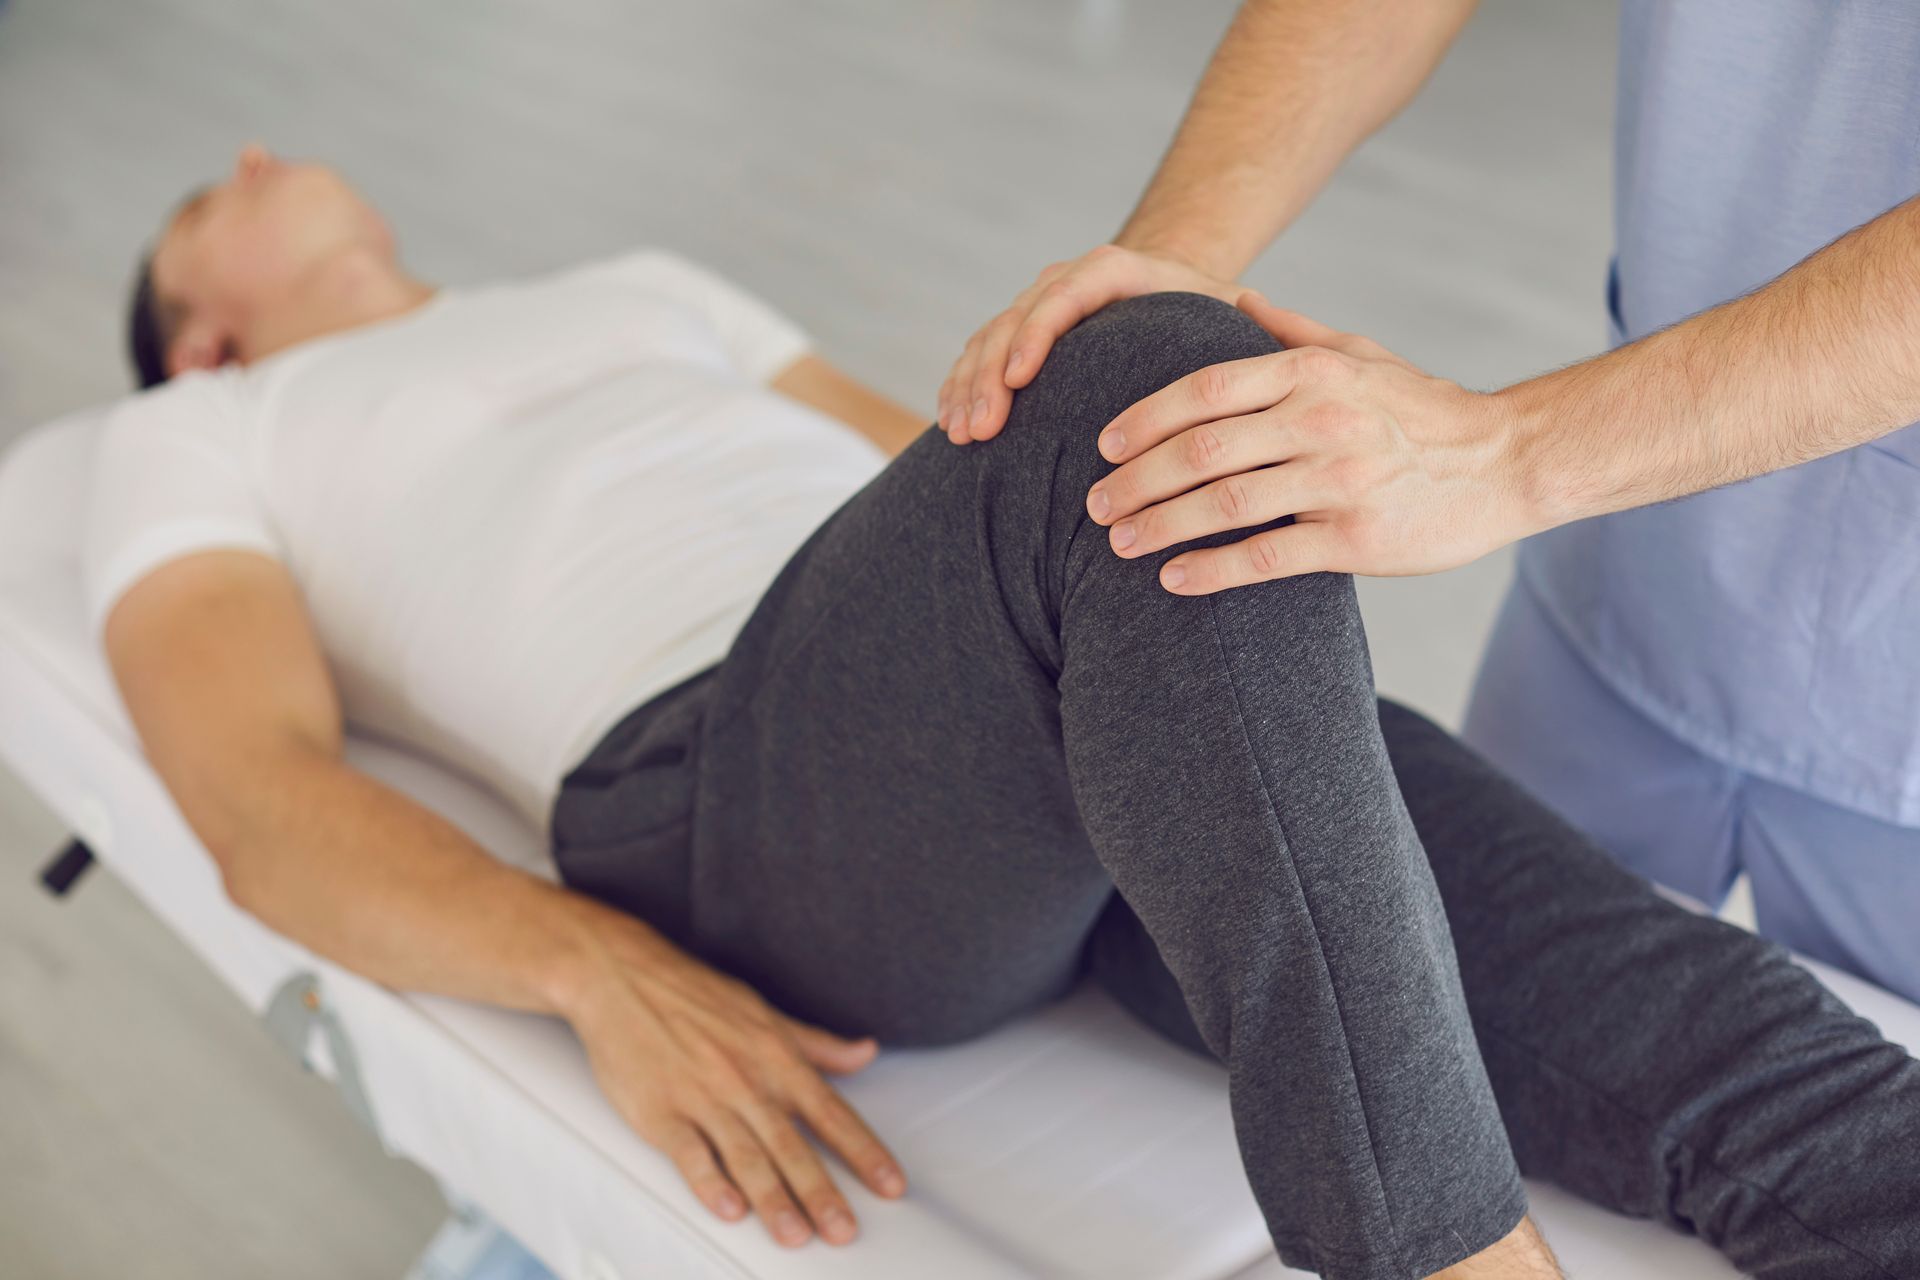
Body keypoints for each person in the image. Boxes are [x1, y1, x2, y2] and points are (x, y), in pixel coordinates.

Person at [95, 146, 1920, 1280]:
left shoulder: (637, 290)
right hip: (736, 773)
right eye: (208, 197)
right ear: (199, 332)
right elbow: (254, 796)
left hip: (1010, 692)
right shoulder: (197, 437)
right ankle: (1435, 1256)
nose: (257, 151)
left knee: (1741, 1064)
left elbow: (966, 466)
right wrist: (589, 970)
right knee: (1150, 385)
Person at [941, 0, 1920, 1003]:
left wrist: (1511, 451)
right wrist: (1173, 267)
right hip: (1622, 597)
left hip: (1898, 715)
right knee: (1448, 1002)